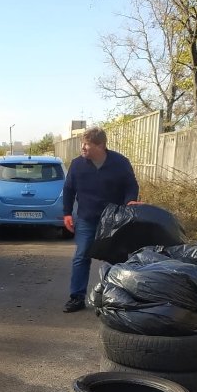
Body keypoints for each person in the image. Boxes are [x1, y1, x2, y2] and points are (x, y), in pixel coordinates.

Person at [62, 127, 139, 313]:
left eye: (87, 144)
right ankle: (77, 298)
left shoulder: (120, 163)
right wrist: (67, 214)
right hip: (87, 219)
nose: (83, 148)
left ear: (101, 145)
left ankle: (115, 298)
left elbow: (131, 185)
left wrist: (131, 200)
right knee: (81, 257)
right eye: (83, 144)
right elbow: (68, 189)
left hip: (113, 220)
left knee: (115, 259)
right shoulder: (77, 164)